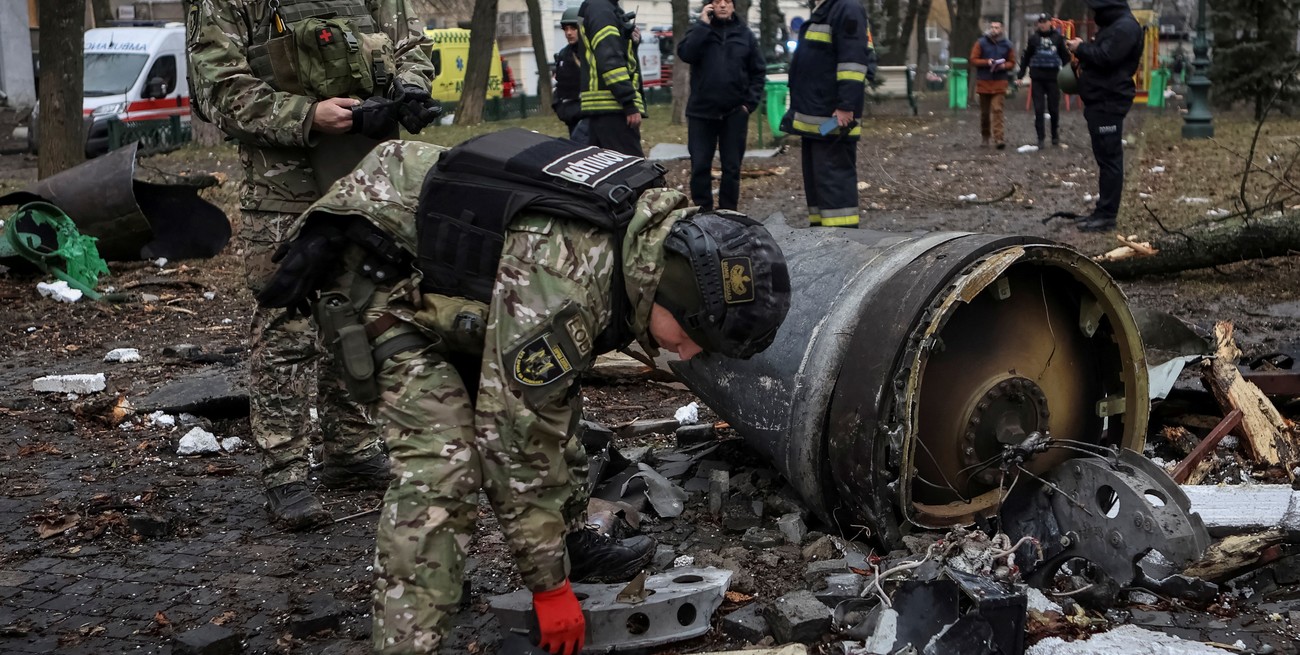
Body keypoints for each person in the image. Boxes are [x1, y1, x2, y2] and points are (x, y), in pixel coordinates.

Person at [255, 130, 793, 653]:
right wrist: (550, 589)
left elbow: (548, 404)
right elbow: (514, 441)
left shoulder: (649, 236)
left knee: (549, 398)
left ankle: (569, 541)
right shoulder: (565, 282)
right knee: (445, 466)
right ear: (669, 292)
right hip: (377, 273)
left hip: (463, 276)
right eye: (695, 337)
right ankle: (409, 628)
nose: (691, 355)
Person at [187, 0, 439, 529]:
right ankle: (285, 471)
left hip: (364, 179)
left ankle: (348, 447)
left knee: (363, 308)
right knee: (286, 323)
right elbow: (219, 90)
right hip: (284, 188)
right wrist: (308, 116)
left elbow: (414, 43)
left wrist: (410, 90)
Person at [780, 0, 875, 228]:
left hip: (833, 119)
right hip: (816, 121)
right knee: (818, 187)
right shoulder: (826, 10)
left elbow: (853, 62)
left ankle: (842, 238)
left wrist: (846, 105)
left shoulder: (847, 8)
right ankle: (822, 237)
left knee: (835, 186)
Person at [677, 0, 766, 212]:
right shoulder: (699, 30)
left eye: (727, 1)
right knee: (699, 166)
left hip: (734, 113)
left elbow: (758, 71)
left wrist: (748, 104)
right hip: (701, 113)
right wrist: (702, 25)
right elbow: (686, 54)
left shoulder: (745, 34)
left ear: (734, 6)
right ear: (710, 6)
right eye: (717, 2)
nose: (723, 6)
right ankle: (703, 213)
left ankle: (729, 212)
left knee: (732, 168)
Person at [1067, 0, 1143, 232]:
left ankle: (1107, 215)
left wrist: (1081, 48)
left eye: (1097, 10)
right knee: (1105, 158)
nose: (1094, 14)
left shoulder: (1125, 28)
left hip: (1109, 100)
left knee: (1110, 159)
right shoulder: (1117, 26)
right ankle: (1102, 211)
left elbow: (1107, 57)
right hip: (1101, 98)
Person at [578, 0, 647, 156]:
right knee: (633, 171)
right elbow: (610, 59)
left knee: (605, 172)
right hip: (613, 107)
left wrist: (630, 43)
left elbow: (611, 53)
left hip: (606, 107)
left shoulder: (603, 8)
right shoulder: (602, 10)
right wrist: (628, 102)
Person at [1018, 13, 1071, 148]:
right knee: (1039, 109)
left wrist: (1071, 74)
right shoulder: (1033, 39)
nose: (1042, 24)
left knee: (1054, 109)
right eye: (1040, 22)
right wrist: (1020, 75)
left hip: (1053, 78)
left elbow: (1065, 57)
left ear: (1050, 23)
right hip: (1037, 79)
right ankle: (1040, 138)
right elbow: (1026, 57)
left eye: (1044, 21)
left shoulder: (1057, 38)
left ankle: (1055, 137)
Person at [970, 20, 1016, 150]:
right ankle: (985, 136)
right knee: (984, 113)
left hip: (1000, 81)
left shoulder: (1007, 45)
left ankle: (999, 138)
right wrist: (987, 62)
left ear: (1002, 29)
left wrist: (1003, 65)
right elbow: (973, 59)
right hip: (984, 81)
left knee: (997, 110)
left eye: (997, 27)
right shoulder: (981, 43)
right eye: (992, 27)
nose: (994, 29)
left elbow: (1012, 62)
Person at [552, 7, 586, 139]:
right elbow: (560, 87)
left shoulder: (593, 52)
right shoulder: (563, 55)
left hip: (593, 116)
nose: (569, 33)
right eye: (566, 29)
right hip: (572, 117)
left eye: (573, 28)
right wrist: (561, 109)